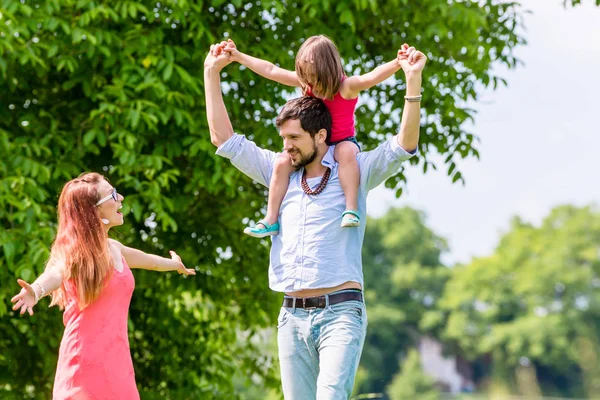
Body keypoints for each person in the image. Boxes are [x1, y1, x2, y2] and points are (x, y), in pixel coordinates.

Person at [204, 40, 427, 399]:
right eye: (283, 138)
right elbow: (225, 140)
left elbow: (403, 144)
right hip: (291, 317)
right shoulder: (280, 173)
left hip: (340, 312)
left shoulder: (353, 170)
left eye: (294, 138)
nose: (286, 146)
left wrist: (412, 81)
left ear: (320, 135)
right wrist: (211, 73)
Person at [10, 172, 195, 399]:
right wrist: (36, 291)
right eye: (112, 195)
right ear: (94, 210)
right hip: (83, 362)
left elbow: (152, 262)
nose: (121, 198)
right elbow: (56, 272)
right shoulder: (76, 252)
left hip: (117, 361)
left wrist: (175, 264)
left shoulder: (115, 248)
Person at [221, 36, 408, 236]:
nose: (310, 84)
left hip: (342, 141)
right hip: (314, 146)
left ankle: (351, 208)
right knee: (282, 161)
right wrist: (239, 57)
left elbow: (371, 77)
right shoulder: (306, 84)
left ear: (329, 71)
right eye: (306, 77)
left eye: (315, 78)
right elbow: (271, 70)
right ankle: (271, 218)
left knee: (345, 153)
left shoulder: (346, 87)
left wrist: (397, 62)